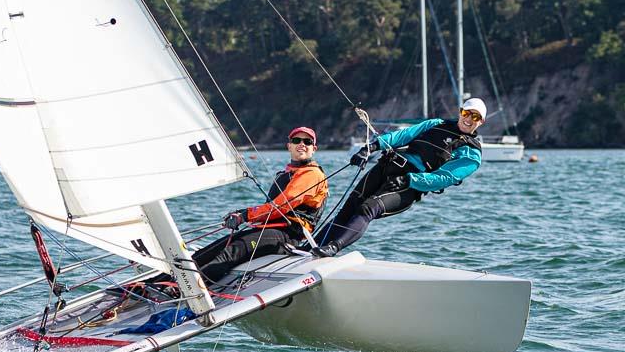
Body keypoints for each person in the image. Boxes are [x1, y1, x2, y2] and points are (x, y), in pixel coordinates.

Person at [312, 98, 486, 257]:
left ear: (481, 122)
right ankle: (309, 249)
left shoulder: (471, 154)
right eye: (466, 113)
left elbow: (443, 178)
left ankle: (333, 248)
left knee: (367, 208)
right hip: (387, 166)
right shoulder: (436, 124)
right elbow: (404, 135)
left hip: (409, 186)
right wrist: (371, 147)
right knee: (348, 208)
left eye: (475, 117)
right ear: (460, 111)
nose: (469, 119)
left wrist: (409, 180)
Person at [192, 127, 329, 282]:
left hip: (287, 236)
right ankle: (166, 283)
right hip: (269, 229)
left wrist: (245, 215)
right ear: (289, 146)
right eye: (296, 140)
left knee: (231, 252)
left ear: (314, 149)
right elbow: (270, 208)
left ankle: (187, 291)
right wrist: (242, 213)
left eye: (307, 142)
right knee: (208, 251)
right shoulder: (288, 174)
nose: (302, 144)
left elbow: (282, 206)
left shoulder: (312, 174)